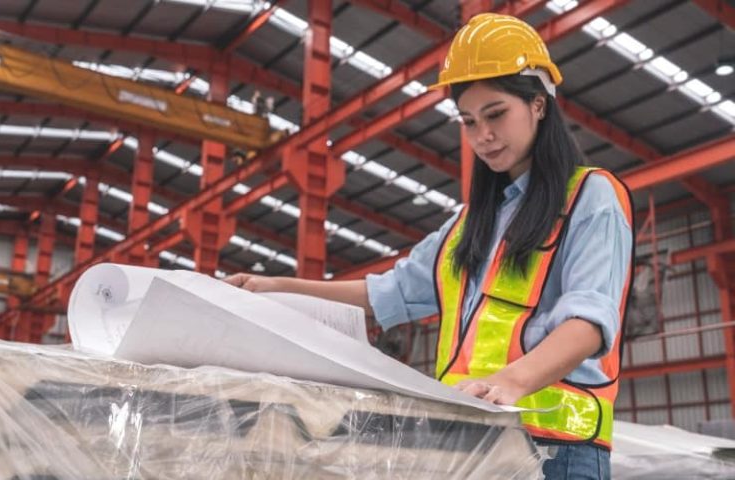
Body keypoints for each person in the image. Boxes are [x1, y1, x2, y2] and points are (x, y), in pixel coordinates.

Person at [226, 13, 633, 480]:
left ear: (538, 104)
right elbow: (386, 292)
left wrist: (509, 382)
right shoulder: (468, 225)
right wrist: (276, 286)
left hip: (558, 452)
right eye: (469, 121)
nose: (482, 136)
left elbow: (589, 323)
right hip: (467, 442)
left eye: (496, 114)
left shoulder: (591, 197)